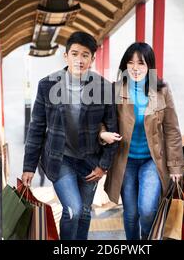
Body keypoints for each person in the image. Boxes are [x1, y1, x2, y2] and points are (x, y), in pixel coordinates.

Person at [21, 31, 118, 240]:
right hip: (60, 159)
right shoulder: (47, 85)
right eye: (74, 54)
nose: (79, 60)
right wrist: (29, 166)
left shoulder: (104, 88)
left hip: (90, 161)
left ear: (92, 59)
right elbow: (36, 127)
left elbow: (113, 130)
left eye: (85, 55)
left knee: (84, 213)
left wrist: (104, 165)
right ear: (66, 56)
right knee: (73, 210)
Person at [99, 42, 184, 240]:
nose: (135, 68)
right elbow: (100, 121)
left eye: (141, 63)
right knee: (131, 214)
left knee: (147, 210)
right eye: (130, 63)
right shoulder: (114, 90)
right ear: (124, 66)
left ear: (150, 67)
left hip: (151, 161)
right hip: (125, 160)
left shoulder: (162, 90)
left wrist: (175, 167)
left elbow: (172, 129)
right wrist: (103, 133)